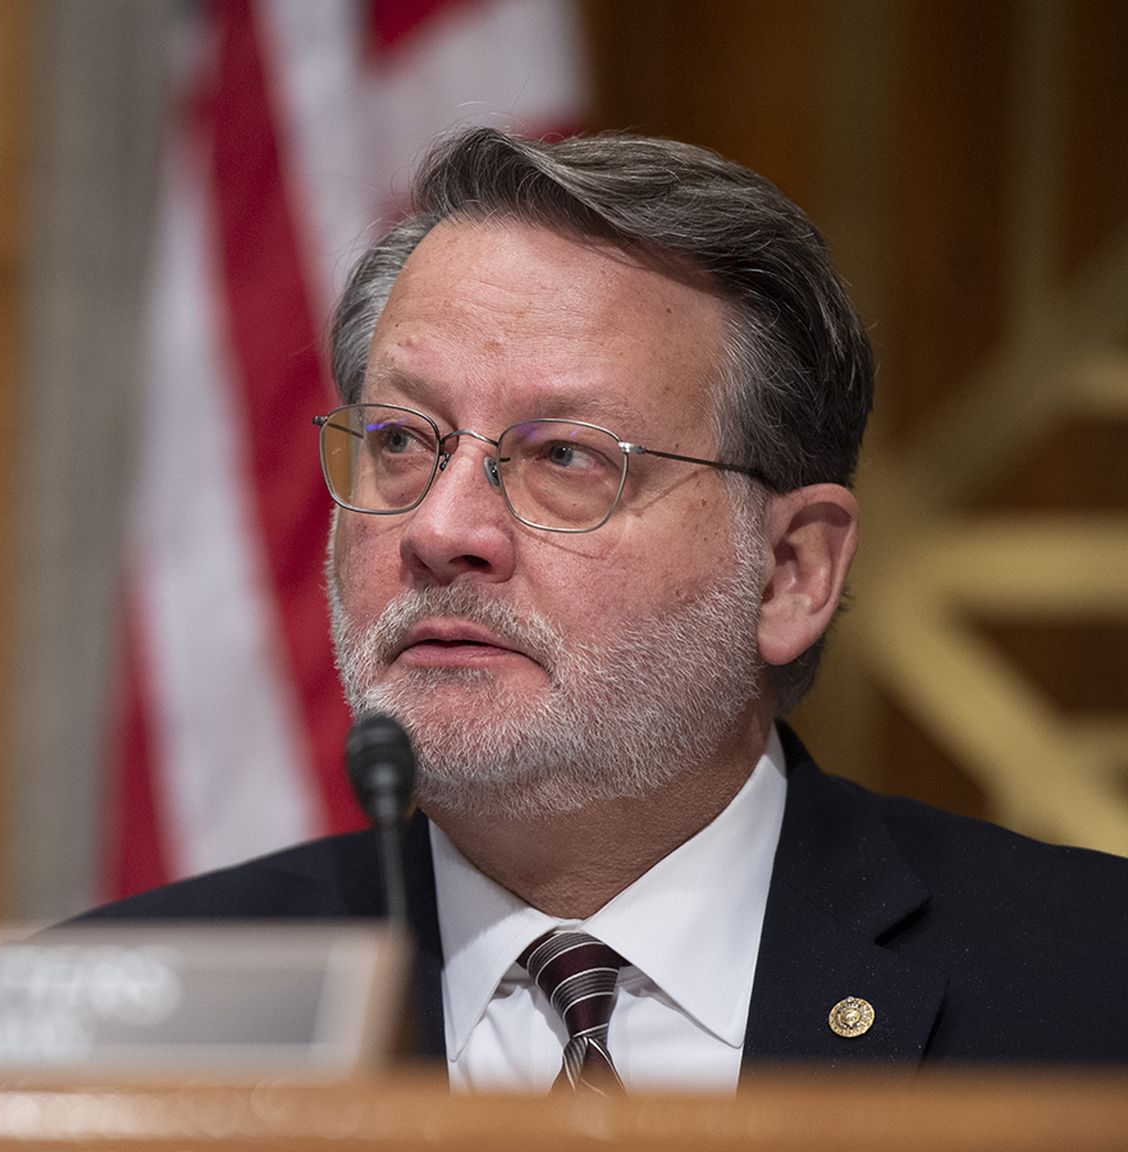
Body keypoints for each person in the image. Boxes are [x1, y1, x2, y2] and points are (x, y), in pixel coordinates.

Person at [79, 128, 1128, 1092]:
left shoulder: (1088, 990)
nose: (441, 530)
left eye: (565, 458)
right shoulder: (116, 1021)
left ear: (790, 574)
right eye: (400, 441)